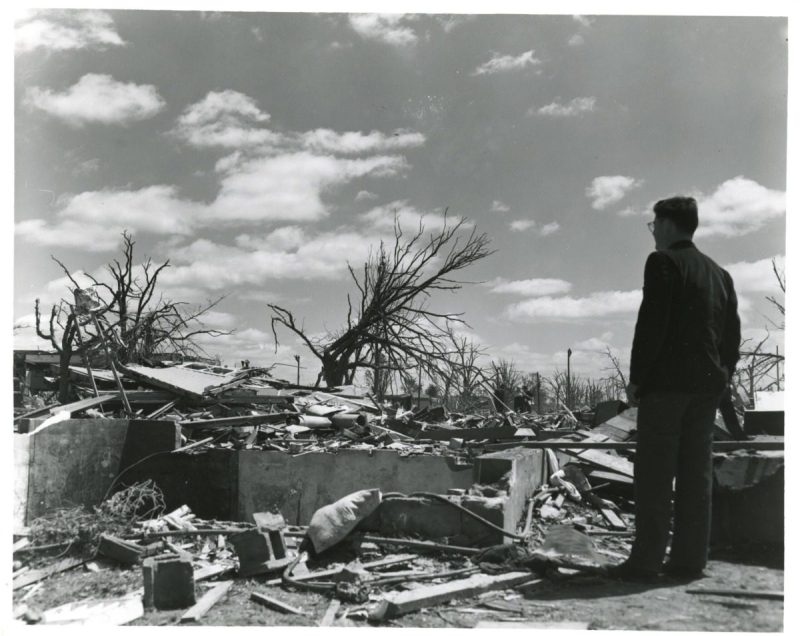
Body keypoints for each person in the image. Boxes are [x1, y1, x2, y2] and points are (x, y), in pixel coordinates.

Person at [608, 196, 741, 582]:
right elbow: (732, 335)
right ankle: (688, 562)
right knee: (695, 474)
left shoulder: (663, 262)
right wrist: (724, 374)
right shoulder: (720, 273)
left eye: (654, 225)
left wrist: (637, 379)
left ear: (666, 224)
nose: (653, 234)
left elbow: (652, 325)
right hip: (707, 388)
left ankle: (646, 562)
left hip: (667, 387)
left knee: (653, 474)